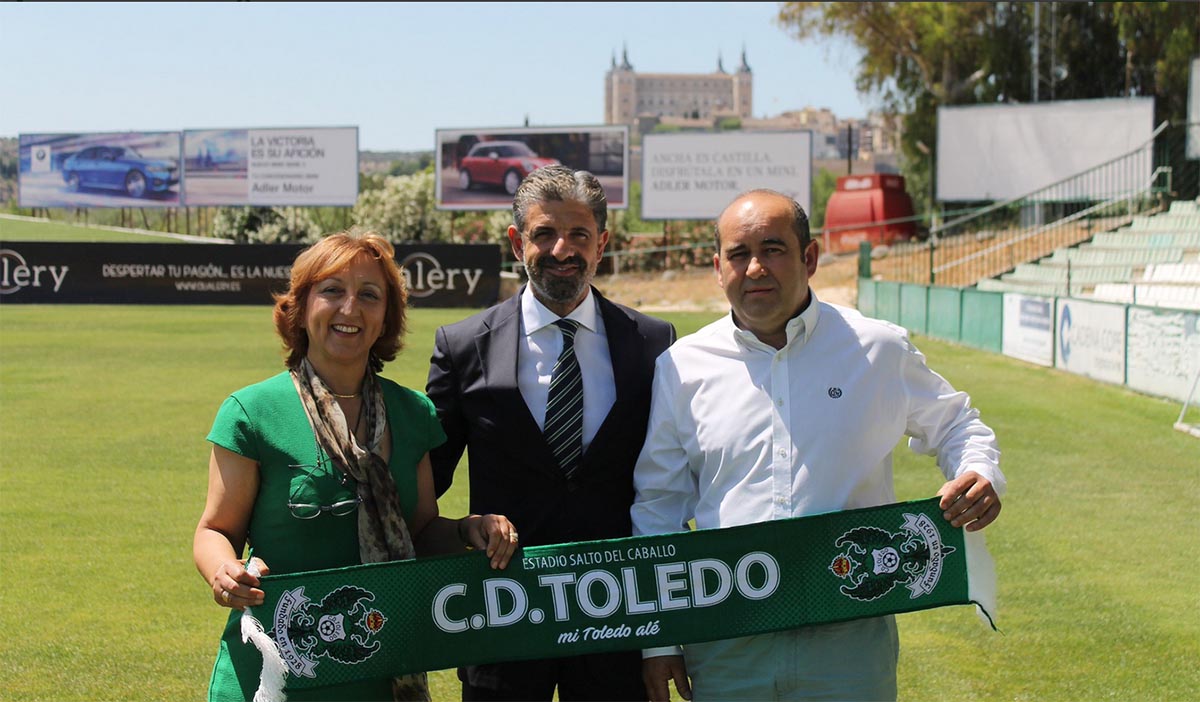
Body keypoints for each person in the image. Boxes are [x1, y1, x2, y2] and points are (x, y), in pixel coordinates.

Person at [631, 190, 1005, 702]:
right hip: (726, 639)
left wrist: (979, 471)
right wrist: (660, 641)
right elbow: (658, 509)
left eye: (774, 249)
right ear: (718, 268)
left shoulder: (877, 348)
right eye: (739, 255)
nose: (756, 267)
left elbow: (957, 423)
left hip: (851, 636)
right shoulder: (682, 367)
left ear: (810, 258)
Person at [193, 231, 520, 702]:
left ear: (386, 316)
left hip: (381, 669)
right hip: (275, 676)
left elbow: (421, 531)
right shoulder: (251, 411)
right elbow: (214, 530)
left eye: (369, 295)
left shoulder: (413, 413)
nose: (350, 309)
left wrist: (471, 529)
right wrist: (224, 571)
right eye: (332, 291)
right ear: (301, 308)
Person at [426, 165, 676, 701]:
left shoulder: (653, 344)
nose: (562, 249)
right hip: (504, 614)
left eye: (579, 235)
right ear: (518, 242)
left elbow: (676, 480)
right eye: (544, 233)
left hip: (617, 616)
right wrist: (462, 527)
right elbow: (424, 483)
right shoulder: (463, 346)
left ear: (602, 243)